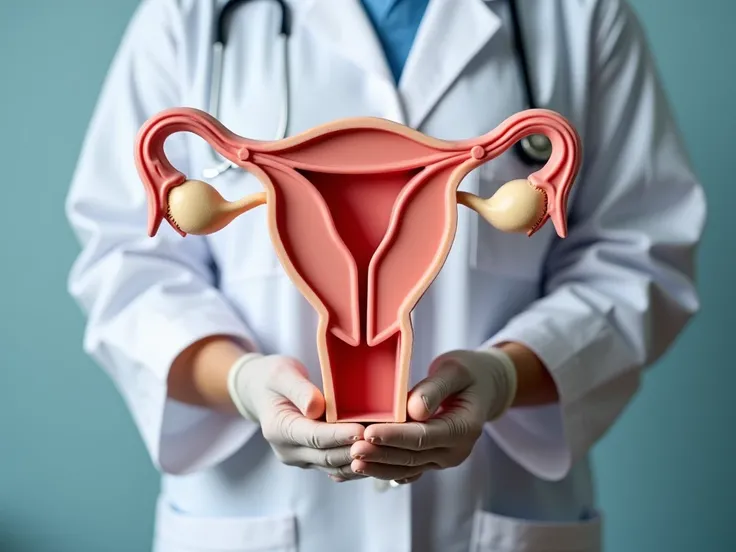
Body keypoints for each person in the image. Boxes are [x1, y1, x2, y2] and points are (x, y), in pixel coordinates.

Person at [65, 0, 706, 550]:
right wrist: (242, 383)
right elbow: (129, 260)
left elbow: (637, 254)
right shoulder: (192, 13)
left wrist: (505, 376)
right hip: (258, 511)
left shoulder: (576, 14)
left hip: (490, 506)